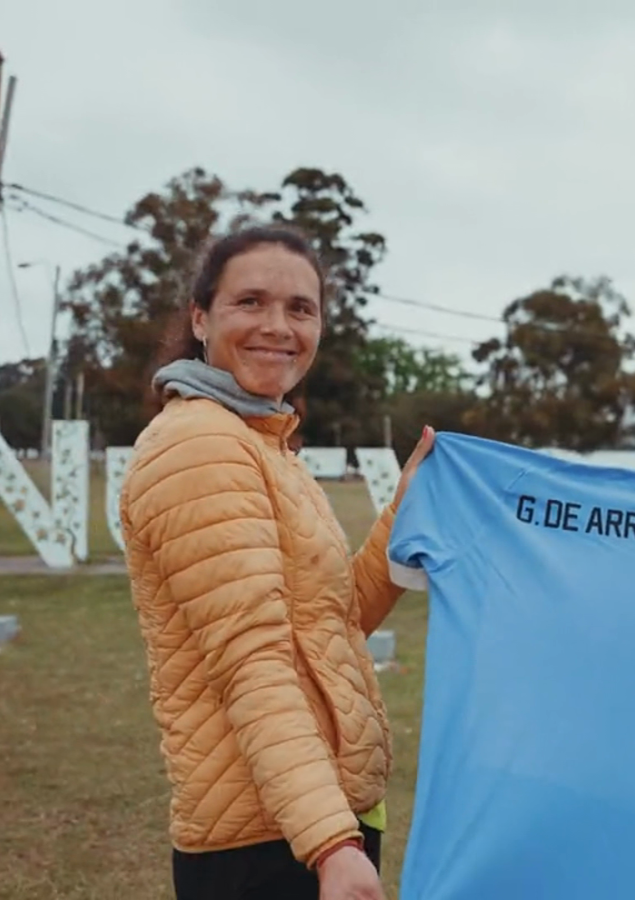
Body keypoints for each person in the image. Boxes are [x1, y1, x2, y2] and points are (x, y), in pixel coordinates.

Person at [118, 223, 432, 900]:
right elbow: (252, 661)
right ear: (201, 318)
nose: (278, 326)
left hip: (313, 813)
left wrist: (401, 516)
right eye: (250, 302)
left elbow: (328, 623)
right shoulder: (200, 443)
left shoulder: (262, 440)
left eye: (300, 309)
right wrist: (330, 845)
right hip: (268, 841)